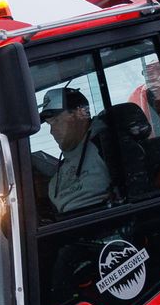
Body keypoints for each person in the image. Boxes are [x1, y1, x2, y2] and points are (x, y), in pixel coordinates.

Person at [33, 85, 113, 214]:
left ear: (80, 114)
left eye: (56, 121)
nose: (52, 131)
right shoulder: (57, 178)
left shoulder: (108, 145)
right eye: (49, 124)